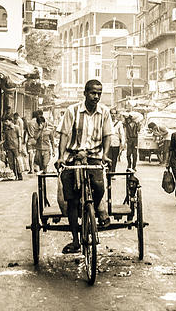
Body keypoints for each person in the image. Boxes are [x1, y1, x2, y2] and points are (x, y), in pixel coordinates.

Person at [56, 80, 113, 254]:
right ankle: (75, 240)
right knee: (72, 200)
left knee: (99, 186)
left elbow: (107, 135)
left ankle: (94, 209)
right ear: (85, 93)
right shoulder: (72, 111)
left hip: (94, 157)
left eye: (99, 93)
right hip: (73, 158)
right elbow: (64, 134)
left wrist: (105, 154)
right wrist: (60, 157)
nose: (96, 96)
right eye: (93, 93)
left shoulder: (104, 112)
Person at [2, 116, 22, 180]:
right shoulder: (6, 130)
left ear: (10, 121)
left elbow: (19, 138)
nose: (5, 123)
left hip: (16, 147)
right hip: (9, 148)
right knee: (11, 162)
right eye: (5, 122)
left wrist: (20, 147)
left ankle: (20, 174)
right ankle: (14, 174)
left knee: (18, 161)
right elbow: (5, 140)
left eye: (6, 121)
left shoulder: (16, 128)